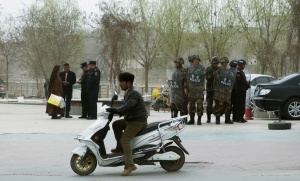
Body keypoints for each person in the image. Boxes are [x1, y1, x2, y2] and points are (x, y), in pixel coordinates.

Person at [106, 72, 148, 176]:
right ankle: (120, 147)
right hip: (131, 120)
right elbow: (126, 107)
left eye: (122, 82)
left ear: (128, 83)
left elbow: (129, 106)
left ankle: (129, 165)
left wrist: (116, 110)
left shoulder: (133, 93)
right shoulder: (129, 92)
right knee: (116, 124)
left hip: (138, 121)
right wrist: (115, 110)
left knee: (125, 139)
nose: (120, 84)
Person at [185, 55, 206, 125]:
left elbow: (204, 78)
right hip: (191, 90)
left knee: (200, 105)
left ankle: (199, 119)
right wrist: (186, 87)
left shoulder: (202, 68)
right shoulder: (189, 68)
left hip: (199, 90)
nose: (196, 61)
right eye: (194, 60)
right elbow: (186, 78)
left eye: (197, 60)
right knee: (191, 105)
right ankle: (191, 119)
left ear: (199, 60)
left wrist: (203, 87)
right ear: (192, 61)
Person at [213, 57, 235, 124]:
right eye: (224, 63)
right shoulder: (218, 71)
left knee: (228, 105)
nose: (225, 64)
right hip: (220, 91)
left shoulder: (229, 71)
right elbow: (215, 82)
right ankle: (217, 119)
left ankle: (227, 119)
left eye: (226, 63)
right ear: (222, 63)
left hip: (227, 91)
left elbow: (231, 80)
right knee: (219, 105)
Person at [168, 57, 188, 121]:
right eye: (176, 63)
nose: (176, 64)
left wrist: (185, 88)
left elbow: (186, 81)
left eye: (177, 63)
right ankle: (174, 118)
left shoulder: (184, 71)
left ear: (180, 63)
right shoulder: (174, 71)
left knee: (182, 106)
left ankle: (183, 119)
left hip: (181, 92)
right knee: (174, 105)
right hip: (174, 91)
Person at [235, 59, 250, 123]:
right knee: (239, 105)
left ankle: (241, 117)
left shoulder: (241, 71)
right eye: (243, 65)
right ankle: (238, 118)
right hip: (239, 91)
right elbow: (239, 81)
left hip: (242, 90)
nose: (244, 66)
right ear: (241, 65)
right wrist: (246, 82)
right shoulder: (238, 72)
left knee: (242, 105)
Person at [205, 56, 219, 123]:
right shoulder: (208, 69)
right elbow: (207, 77)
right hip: (209, 89)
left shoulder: (219, 69)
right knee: (209, 104)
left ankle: (217, 118)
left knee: (217, 104)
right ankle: (208, 118)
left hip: (217, 90)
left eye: (216, 63)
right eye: (214, 63)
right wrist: (213, 75)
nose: (215, 65)